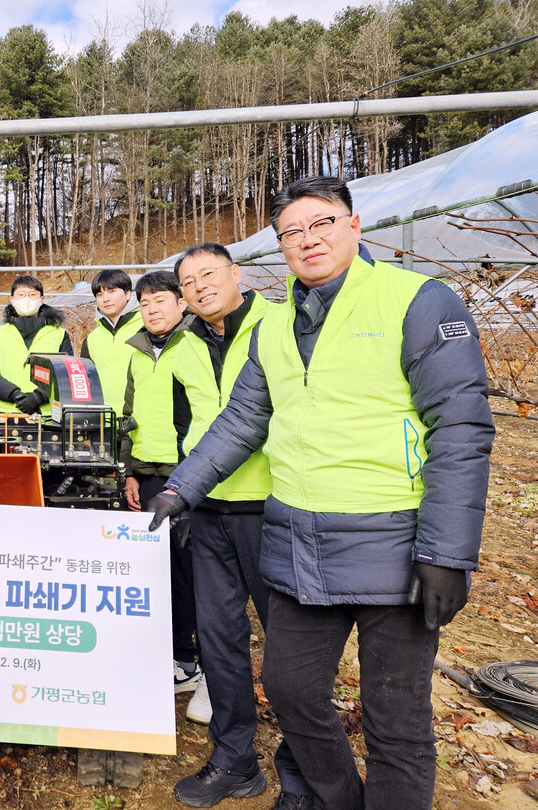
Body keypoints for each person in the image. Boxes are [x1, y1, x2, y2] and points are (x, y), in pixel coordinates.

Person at [149, 176, 494, 810]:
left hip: (396, 542)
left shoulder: (417, 301)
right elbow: (243, 420)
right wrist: (181, 489)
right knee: (290, 690)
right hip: (300, 543)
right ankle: (340, 800)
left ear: (354, 226)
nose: (308, 241)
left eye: (321, 224)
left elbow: (462, 428)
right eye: (291, 233)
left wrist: (448, 551)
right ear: (279, 246)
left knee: (395, 716)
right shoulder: (277, 326)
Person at [167, 244, 310, 808]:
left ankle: (301, 775)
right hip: (208, 512)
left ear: (236, 274)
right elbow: (188, 422)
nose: (200, 286)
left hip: (270, 507)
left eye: (209, 274)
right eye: (189, 281)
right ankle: (234, 761)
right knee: (221, 639)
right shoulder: (183, 346)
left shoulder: (280, 324)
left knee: (291, 647)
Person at [119, 271, 202, 707]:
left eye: (160, 301)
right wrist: (131, 471)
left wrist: (190, 479)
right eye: (145, 302)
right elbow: (131, 415)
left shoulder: (196, 343)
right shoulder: (137, 351)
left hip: (187, 475)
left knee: (194, 571)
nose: (151, 310)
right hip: (150, 471)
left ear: (182, 302)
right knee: (161, 569)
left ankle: (201, 663)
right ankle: (177, 656)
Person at [0, 275, 72, 417]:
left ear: (42, 300)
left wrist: (38, 397)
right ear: (12, 300)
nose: (26, 299)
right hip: (5, 414)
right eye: (21, 295)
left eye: (32, 295)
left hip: (47, 415)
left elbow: (65, 374)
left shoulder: (59, 334)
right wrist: (14, 394)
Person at [80, 269, 141, 416]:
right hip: (104, 420)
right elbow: (87, 383)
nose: (105, 299)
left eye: (111, 291)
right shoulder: (92, 339)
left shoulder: (146, 326)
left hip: (140, 418)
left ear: (128, 294)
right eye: (99, 294)